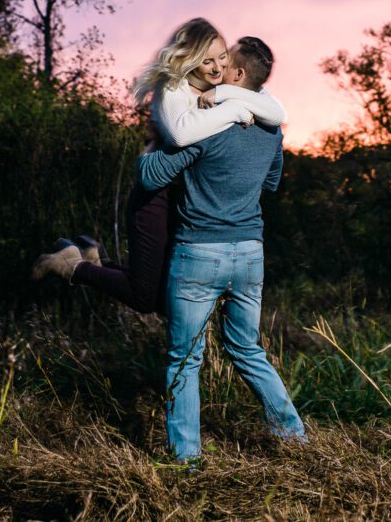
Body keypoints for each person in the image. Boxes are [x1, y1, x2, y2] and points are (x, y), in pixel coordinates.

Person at [31, 19, 286, 314]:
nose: (216, 67)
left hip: (186, 200)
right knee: (145, 299)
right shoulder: (175, 86)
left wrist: (227, 97)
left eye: (222, 57)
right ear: (190, 59)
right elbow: (182, 135)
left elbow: (277, 112)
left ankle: (94, 259)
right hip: (155, 196)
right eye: (207, 60)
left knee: (165, 294)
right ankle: (72, 266)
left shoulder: (220, 89)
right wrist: (236, 108)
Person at [136, 37, 305, 463]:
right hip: (250, 254)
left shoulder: (208, 123)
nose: (215, 72)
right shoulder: (272, 130)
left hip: (199, 254)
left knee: (184, 360)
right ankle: (294, 439)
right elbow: (271, 183)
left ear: (239, 75)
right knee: (248, 349)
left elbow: (152, 176)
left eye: (224, 64)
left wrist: (150, 149)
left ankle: (186, 460)